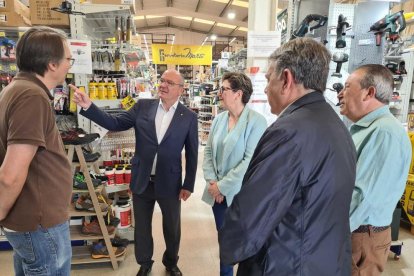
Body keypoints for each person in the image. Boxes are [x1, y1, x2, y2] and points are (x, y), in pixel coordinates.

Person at [218, 37, 357, 275]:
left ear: (286, 79)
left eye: (268, 78)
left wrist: (229, 248)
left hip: (285, 264)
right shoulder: (337, 127)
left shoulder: (287, 133)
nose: (265, 88)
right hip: (325, 261)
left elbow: (252, 216)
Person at [73, 69, 198, 276]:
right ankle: (145, 262)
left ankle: (170, 262)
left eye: (170, 82)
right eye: (162, 80)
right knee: (141, 227)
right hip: (142, 180)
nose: (163, 85)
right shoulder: (142, 106)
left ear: (181, 90)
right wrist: (89, 106)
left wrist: (188, 184)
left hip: (170, 182)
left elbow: (193, 153)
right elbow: (115, 123)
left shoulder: (189, 117)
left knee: (172, 227)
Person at [0, 26, 73, 275]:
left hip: (33, 220)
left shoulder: (17, 89)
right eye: (68, 59)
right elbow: (11, 174)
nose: (69, 64)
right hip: (40, 223)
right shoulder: (31, 97)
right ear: (52, 64)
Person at [337, 64, 411, 276]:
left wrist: (328, 230)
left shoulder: (384, 133)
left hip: (360, 234)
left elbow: (362, 197)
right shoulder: (366, 129)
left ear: (369, 92)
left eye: (347, 87)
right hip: (356, 230)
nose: (341, 94)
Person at [202, 72, 267, 276]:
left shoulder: (257, 122)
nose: (219, 93)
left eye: (224, 89)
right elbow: (209, 152)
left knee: (245, 243)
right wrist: (213, 183)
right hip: (217, 196)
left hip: (240, 196)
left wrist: (222, 186)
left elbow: (249, 162)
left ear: (238, 94)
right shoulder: (219, 119)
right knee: (225, 243)